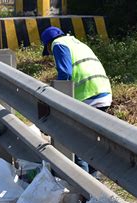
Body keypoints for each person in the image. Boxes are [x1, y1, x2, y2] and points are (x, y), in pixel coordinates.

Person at [41, 26, 112, 174]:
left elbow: (65, 73)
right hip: (103, 93)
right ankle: (95, 184)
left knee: (77, 144)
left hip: (88, 96)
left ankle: (85, 188)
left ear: (48, 44)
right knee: (92, 143)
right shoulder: (77, 43)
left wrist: (56, 96)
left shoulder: (58, 44)